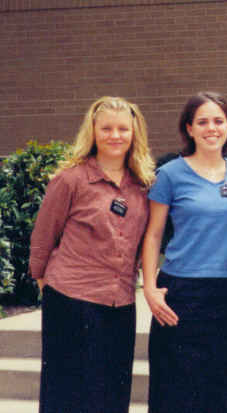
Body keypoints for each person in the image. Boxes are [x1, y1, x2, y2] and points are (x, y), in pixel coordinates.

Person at [29, 96, 155, 413]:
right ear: (93, 132)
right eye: (107, 128)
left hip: (120, 302)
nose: (115, 136)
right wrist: (44, 281)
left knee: (112, 393)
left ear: (134, 133)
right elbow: (44, 236)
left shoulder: (142, 185)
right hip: (71, 299)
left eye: (123, 129)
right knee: (66, 394)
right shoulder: (70, 179)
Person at [141, 92, 227, 413]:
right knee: (175, 388)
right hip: (180, 292)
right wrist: (149, 288)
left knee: (222, 386)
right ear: (189, 128)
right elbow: (152, 236)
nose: (211, 128)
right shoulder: (170, 175)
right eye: (202, 122)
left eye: (218, 121)